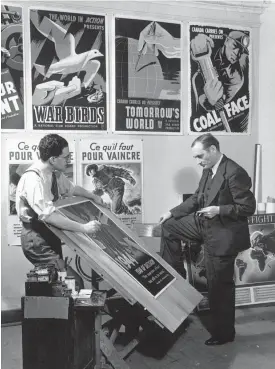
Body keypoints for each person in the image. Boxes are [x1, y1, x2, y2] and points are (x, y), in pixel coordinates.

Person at [159, 133, 256, 346]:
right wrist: (171, 212)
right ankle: (176, 276)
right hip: (205, 225)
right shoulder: (208, 169)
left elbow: (248, 208)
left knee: (218, 286)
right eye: (196, 157)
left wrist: (219, 209)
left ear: (213, 150)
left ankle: (224, 334)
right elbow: (196, 198)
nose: (198, 161)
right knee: (169, 227)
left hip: (223, 234)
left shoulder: (235, 172)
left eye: (200, 156)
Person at [16, 134, 104, 286]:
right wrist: (84, 228)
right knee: (72, 283)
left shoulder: (54, 173)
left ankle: (62, 309)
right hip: (36, 238)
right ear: (52, 159)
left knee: (58, 286)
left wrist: (93, 197)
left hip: (50, 234)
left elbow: (72, 189)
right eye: (66, 157)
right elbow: (49, 216)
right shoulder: (33, 180)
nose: (68, 160)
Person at [190, 31, 249, 111]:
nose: (237, 54)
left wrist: (212, 102)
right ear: (226, 41)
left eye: (241, 51)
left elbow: (220, 105)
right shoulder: (211, 45)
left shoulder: (236, 78)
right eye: (235, 46)